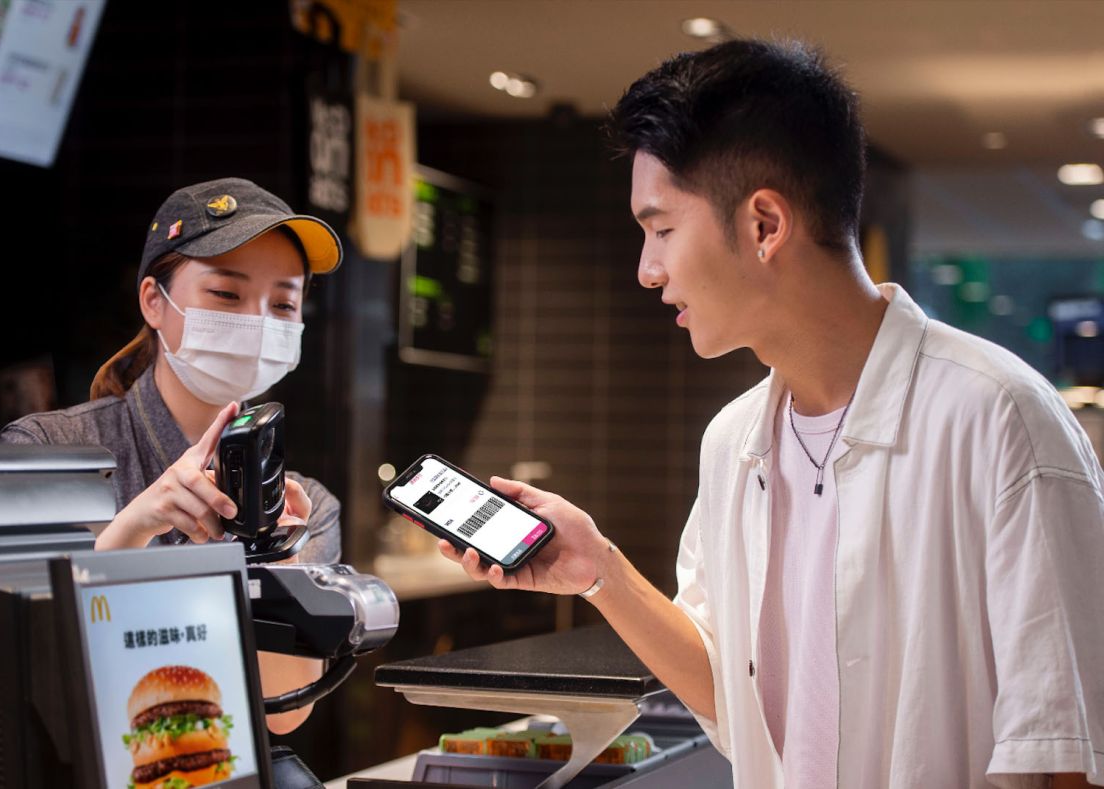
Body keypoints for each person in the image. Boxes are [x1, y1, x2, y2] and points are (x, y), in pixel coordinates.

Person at [437, 40, 1103, 789]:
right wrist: (602, 573)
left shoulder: (1000, 418)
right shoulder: (734, 440)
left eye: (660, 229)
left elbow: (1064, 749)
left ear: (763, 225)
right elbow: (731, 692)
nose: (647, 269)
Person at [0, 177, 344, 736]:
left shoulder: (306, 508)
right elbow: (26, 661)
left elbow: (283, 710)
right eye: (227, 295)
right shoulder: (50, 452)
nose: (258, 322)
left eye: (283, 302)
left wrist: (275, 554)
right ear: (154, 302)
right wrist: (138, 522)